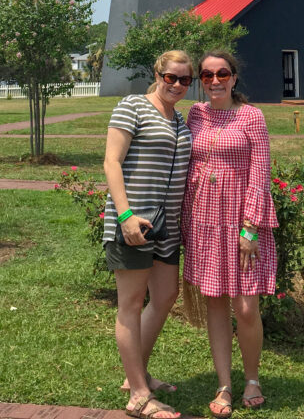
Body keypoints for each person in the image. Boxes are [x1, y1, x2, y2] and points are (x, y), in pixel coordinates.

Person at [182, 51, 278, 417]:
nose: (215, 81)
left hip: (241, 220)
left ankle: (252, 378)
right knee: (216, 303)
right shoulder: (196, 115)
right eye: (206, 76)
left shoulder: (251, 116)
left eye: (222, 73)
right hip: (204, 219)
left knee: (246, 306)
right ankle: (224, 383)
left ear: (234, 78)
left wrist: (250, 226)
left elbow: (261, 172)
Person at [103, 50, 194, 419]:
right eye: (170, 77)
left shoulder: (179, 120)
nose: (175, 84)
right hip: (134, 223)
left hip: (166, 226)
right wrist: (125, 214)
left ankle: (135, 373)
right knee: (131, 302)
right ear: (157, 73)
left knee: (166, 294)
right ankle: (139, 394)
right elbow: (112, 161)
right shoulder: (133, 107)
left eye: (184, 80)